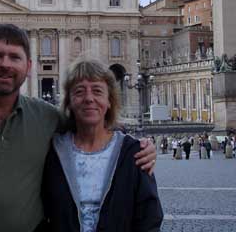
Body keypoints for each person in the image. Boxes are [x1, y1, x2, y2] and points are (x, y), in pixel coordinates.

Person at [0, 23, 156, 231]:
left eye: (14, 57)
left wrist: (140, 146)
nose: (5, 64)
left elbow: (91, 124)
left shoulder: (45, 118)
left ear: (28, 67)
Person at [42, 58, 163, 231]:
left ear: (109, 102)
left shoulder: (134, 153)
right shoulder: (53, 151)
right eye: (79, 92)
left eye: (97, 91)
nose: (89, 98)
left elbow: (149, 218)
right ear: (69, 102)